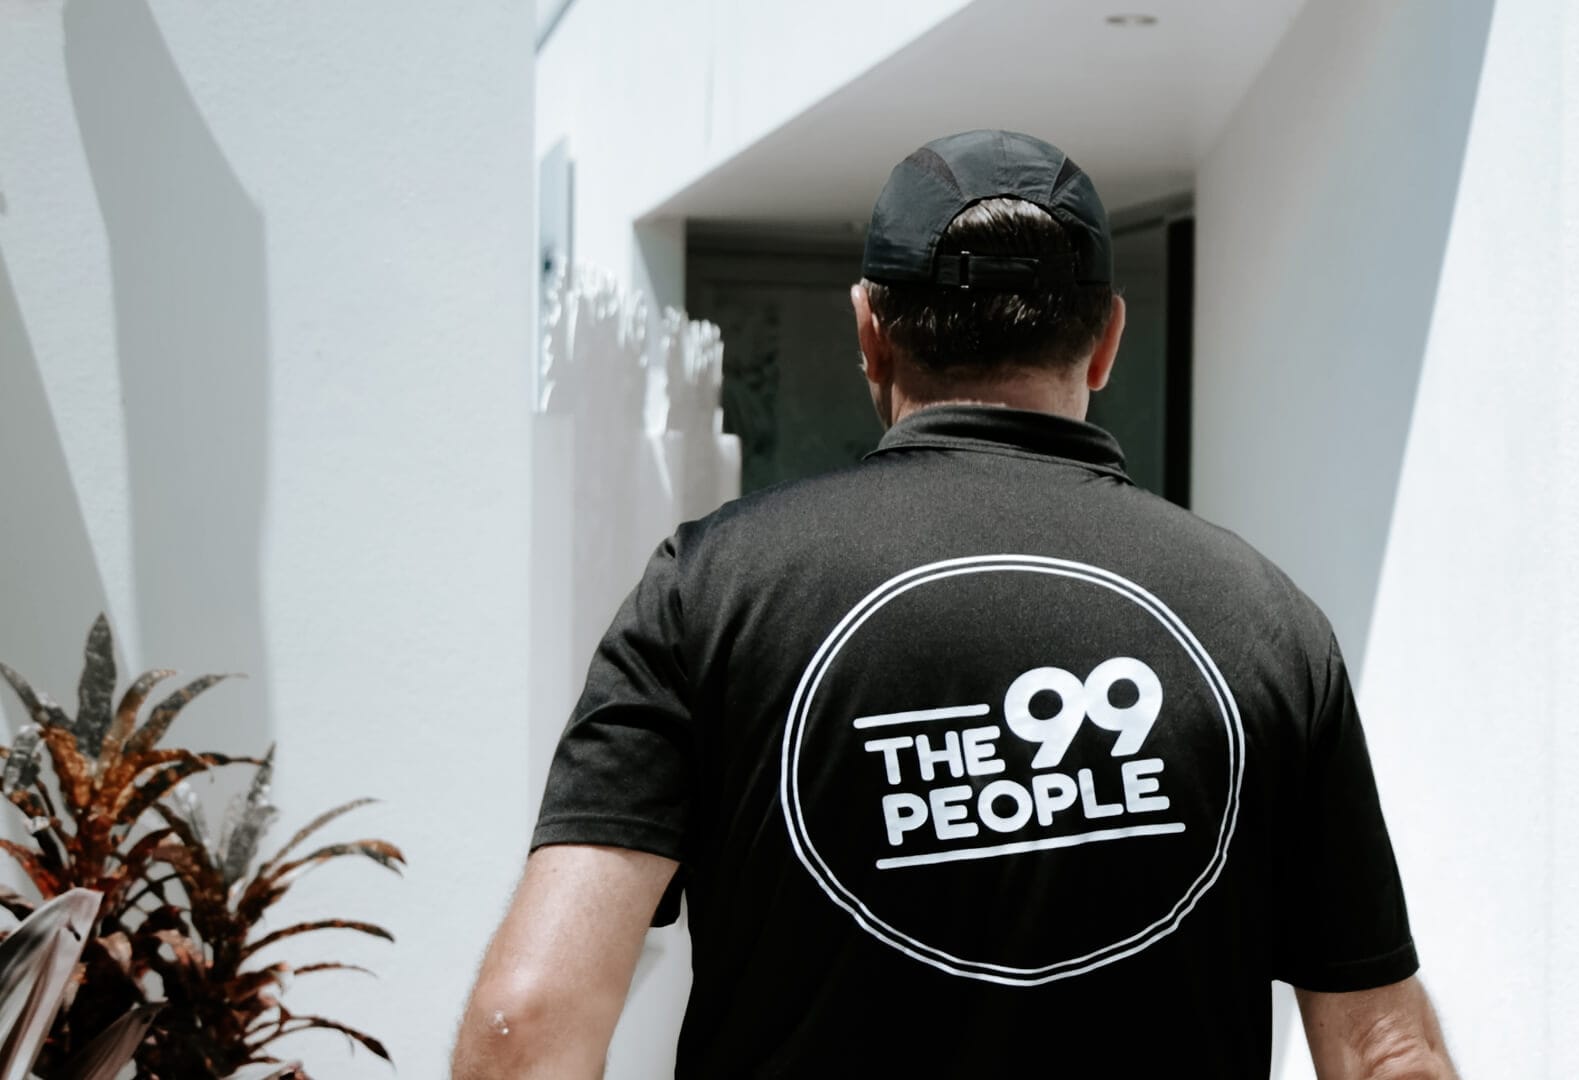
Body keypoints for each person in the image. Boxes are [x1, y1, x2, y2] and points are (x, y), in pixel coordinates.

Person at [453, 130, 1457, 1079]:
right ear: (1106, 342)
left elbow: (528, 1024)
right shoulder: (1264, 623)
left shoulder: (708, 595)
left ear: (869, 333)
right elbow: (1384, 1056)